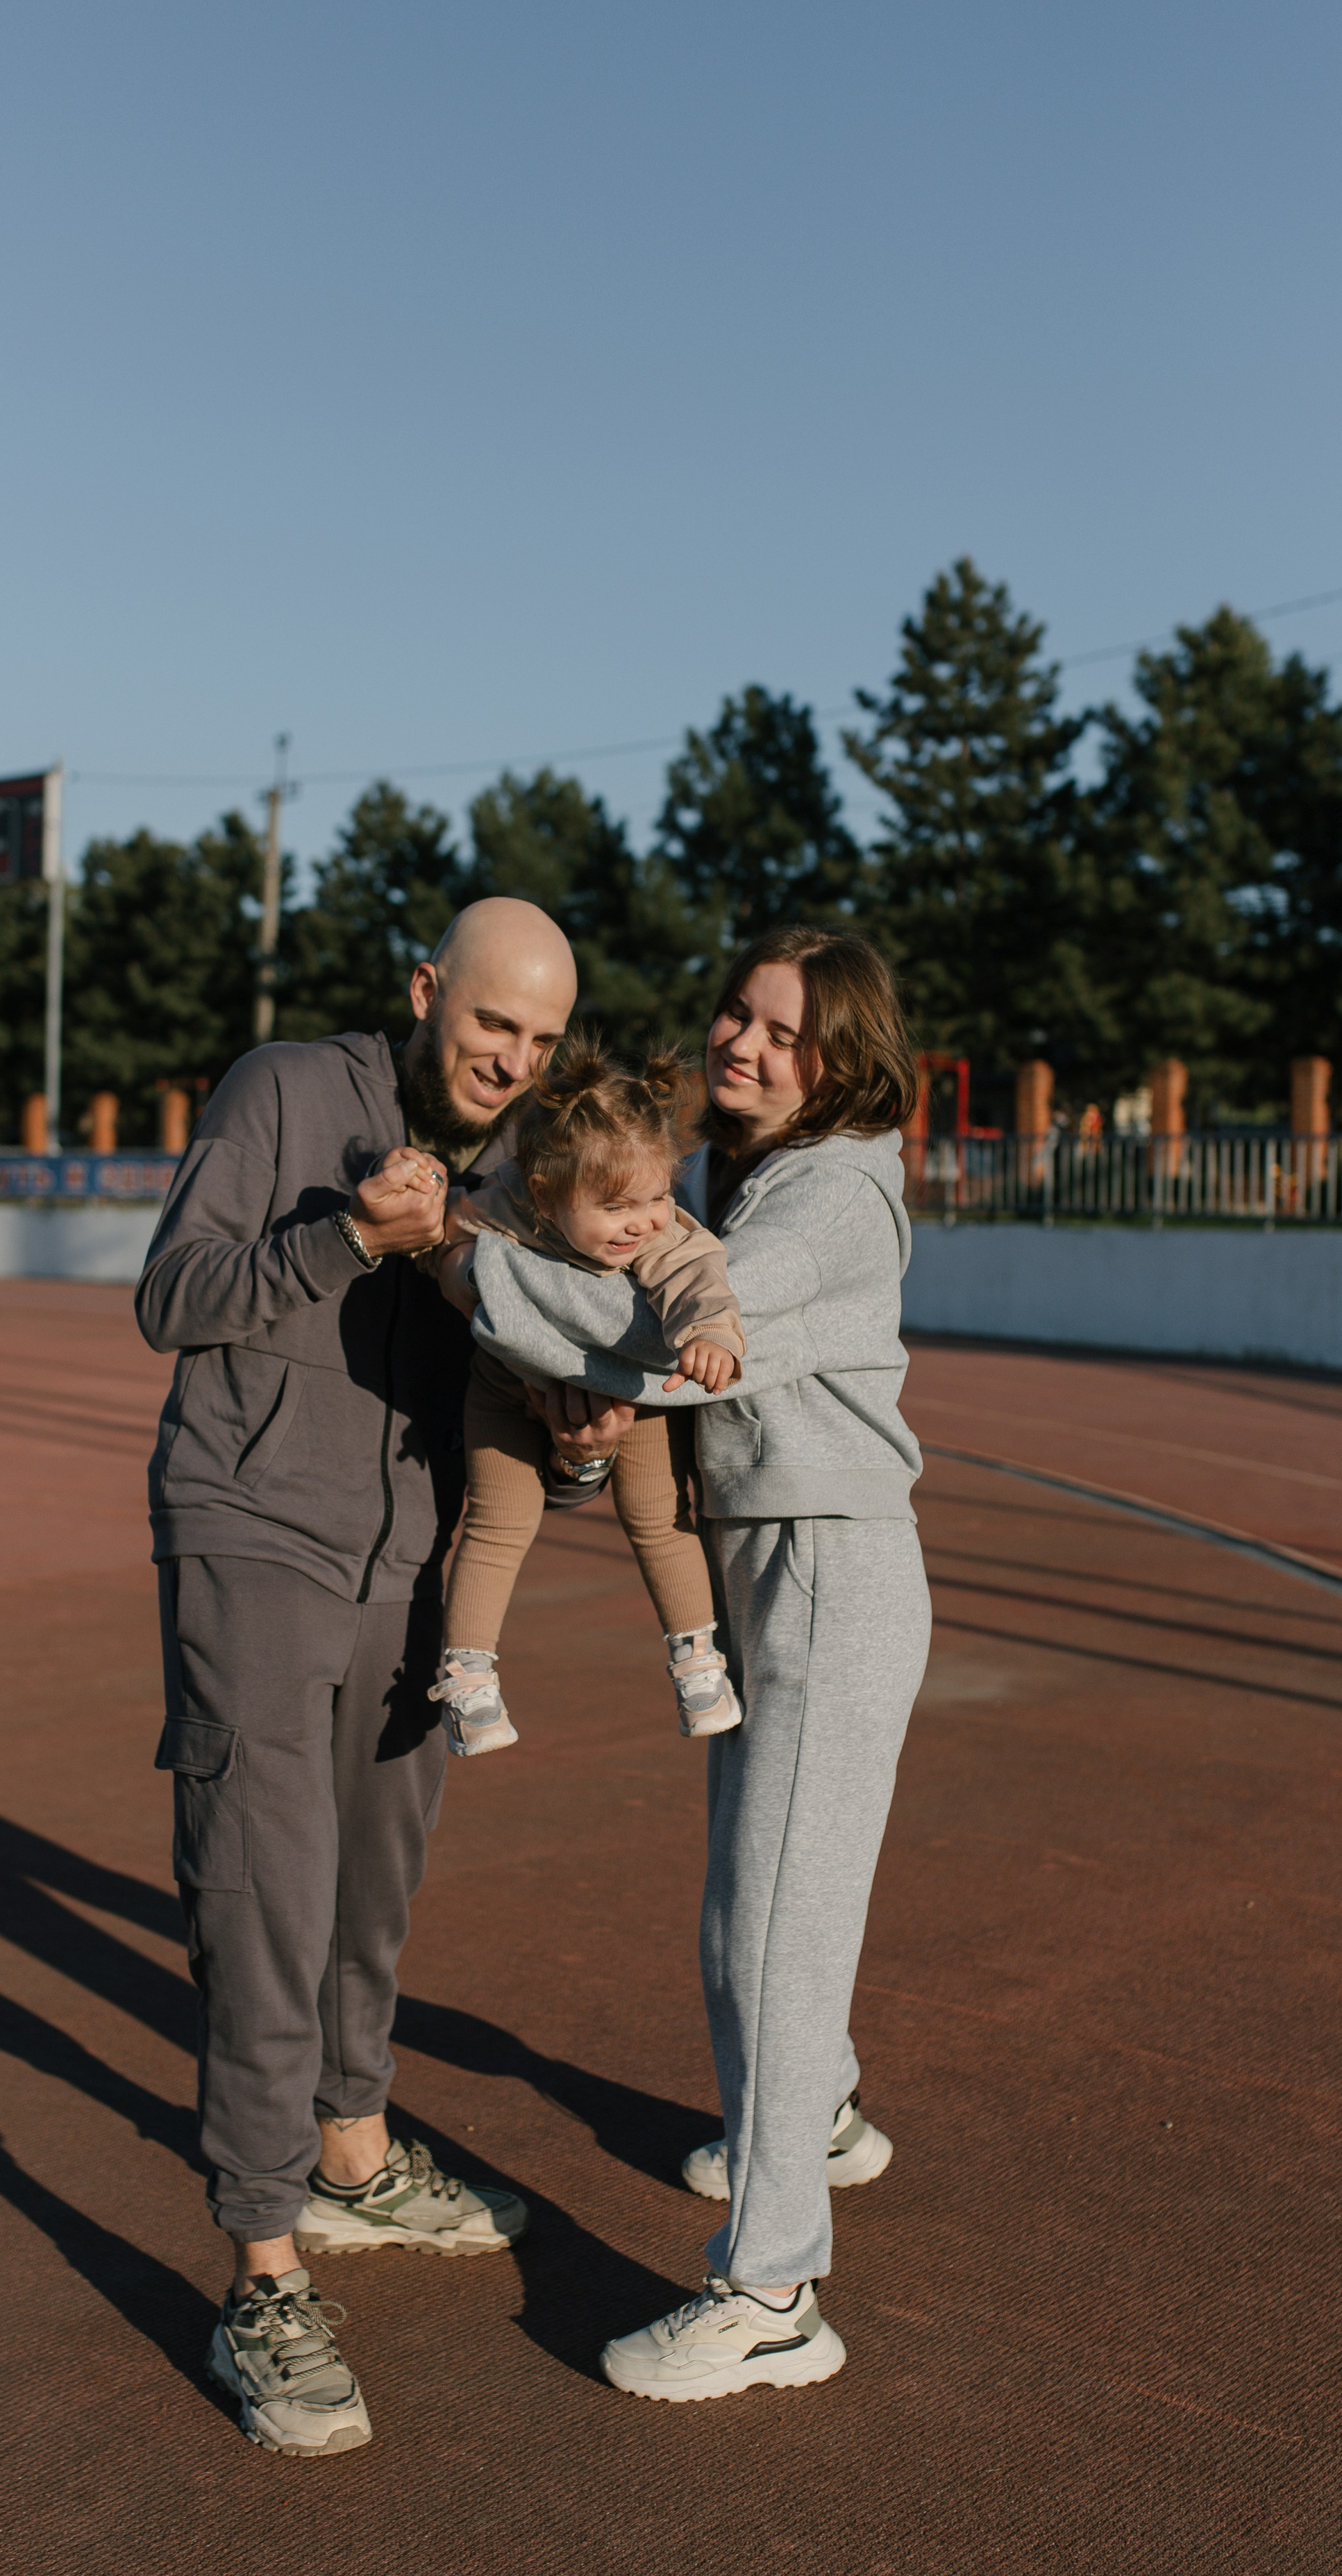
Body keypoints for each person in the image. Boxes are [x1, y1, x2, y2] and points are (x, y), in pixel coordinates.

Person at [137, 896, 594, 2459]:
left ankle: (351, 2161)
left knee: (370, 1892)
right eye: (489, 1027)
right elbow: (170, 1299)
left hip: (412, 1569)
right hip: (249, 1530)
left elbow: (522, 1396)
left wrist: (583, 1448)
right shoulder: (283, 1092)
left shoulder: (520, 1178)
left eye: (537, 1043)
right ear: (425, 994)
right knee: (264, 1890)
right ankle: (260, 2267)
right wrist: (348, 1238)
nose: (509, 1062)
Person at [467, 925, 931, 2404]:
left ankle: (774, 2290)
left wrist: (461, 1257)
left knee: (766, 1934)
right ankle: (825, 2117)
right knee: (755, 1911)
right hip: (774, 1570)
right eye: (738, 1013)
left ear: (840, 1061)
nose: (740, 1044)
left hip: (826, 1577)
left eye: (781, 1034)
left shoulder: (827, 1199)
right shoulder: (763, 1174)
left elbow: (653, 1336)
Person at [422, 1036, 746, 1757]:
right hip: (506, 1387)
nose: (643, 1221)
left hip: (629, 1391)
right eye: (616, 1206)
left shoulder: (656, 1235)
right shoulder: (506, 1203)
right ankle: (468, 1676)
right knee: (497, 1524)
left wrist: (711, 1335)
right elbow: (446, 1232)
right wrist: (433, 1234)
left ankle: (697, 1660)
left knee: (660, 1519)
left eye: (659, 1195)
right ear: (544, 1196)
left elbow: (698, 1272)